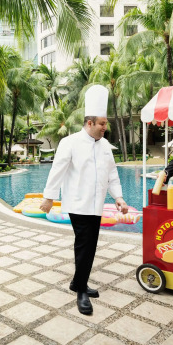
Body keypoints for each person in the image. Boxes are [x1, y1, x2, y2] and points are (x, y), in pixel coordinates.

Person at [39, 85, 129, 315]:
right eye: (102, 124)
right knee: (85, 245)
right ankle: (81, 290)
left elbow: (112, 174)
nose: (105, 127)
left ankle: (78, 282)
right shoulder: (69, 142)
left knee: (90, 245)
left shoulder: (106, 146)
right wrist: (49, 197)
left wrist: (118, 197)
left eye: (105, 123)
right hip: (78, 203)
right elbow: (57, 170)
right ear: (90, 123)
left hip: (96, 205)